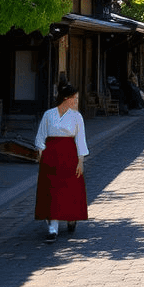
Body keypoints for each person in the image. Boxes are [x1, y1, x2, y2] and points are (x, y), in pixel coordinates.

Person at [34, 81, 89, 243]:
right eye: (74, 98)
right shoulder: (49, 114)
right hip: (51, 156)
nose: (76, 102)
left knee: (69, 190)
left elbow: (80, 139)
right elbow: (40, 136)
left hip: (69, 156)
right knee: (52, 191)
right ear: (66, 98)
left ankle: (71, 217)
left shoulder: (77, 116)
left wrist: (80, 161)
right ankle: (53, 228)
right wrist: (42, 154)